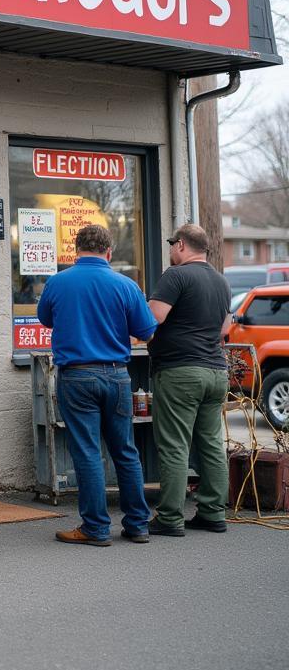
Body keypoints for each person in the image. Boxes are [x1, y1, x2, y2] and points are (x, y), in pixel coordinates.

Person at [37, 224, 158, 546]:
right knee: (126, 451)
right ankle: (137, 524)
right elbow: (147, 332)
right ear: (109, 252)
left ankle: (95, 528)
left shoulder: (58, 282)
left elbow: (45, 319)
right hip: (117, 374)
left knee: (88, 452)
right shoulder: (126, 285)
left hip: (76, 376)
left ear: (76, 250)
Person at [146, 223, 232, 537]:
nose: (170, 251)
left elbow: (152, 318)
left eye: (171, 245)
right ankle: (212, 512)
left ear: (181, 244)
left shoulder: (176, 276)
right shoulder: (221, 281)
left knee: (174, 445)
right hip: (215, 371)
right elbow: (224, 328)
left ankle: (169, 517)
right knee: (210, 445)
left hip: (181, 372)